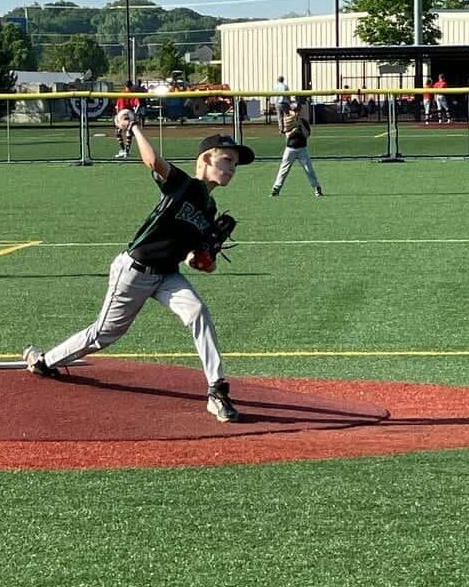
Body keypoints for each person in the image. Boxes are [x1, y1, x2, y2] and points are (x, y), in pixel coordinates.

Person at [23, 125, 255, 423]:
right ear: (206, 160)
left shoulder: (209, 208)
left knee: (198, 312)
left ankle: (217, 389)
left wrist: (204, 260)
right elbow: (152, 161)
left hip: (167, 275)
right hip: (134, 270)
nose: (232, 168)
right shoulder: (184, 185)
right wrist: (134, 127)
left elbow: (195, 260)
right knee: (104, 334)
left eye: (235, 164)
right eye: (227, 160)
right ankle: (44, 362)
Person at [271, 97, 322, 198]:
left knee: (309, 169)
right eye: (294, 110)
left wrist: (300, 125)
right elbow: (287, 135)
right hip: (290, 149)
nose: (296, 112)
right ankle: (276, 189)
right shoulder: (288, 120)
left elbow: (307, 134)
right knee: (283, 169)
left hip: (302, 149)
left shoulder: (303, 121)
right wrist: (294, 128)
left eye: (297, 110)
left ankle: (317, 188)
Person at [114, 81, 141, 158]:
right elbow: (138, 104)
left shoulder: (121, 94)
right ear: (131, 86)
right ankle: (127, 151)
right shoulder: (132, 94)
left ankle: (123, 150)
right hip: (130, 112)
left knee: (118, 132)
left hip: (121, 113)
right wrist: (135, 113)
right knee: (129, 131)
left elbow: (117, 107)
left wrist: (117, 116)